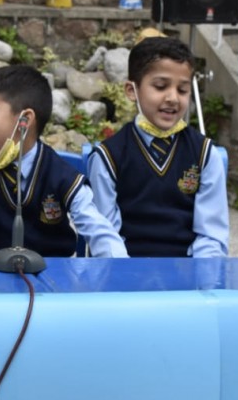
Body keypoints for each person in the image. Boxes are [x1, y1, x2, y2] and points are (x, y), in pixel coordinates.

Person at [0, 64, 128, 259]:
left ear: (25, 120)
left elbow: (99, 231)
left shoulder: (63, 175)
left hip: (55, 273)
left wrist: (121, 268)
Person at [87, 35, 229, 257]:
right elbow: (106, 236)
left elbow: (211, 236)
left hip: (187, 270)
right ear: (132, 90)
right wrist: (125, 274)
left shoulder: (204, 154)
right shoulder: (108, 157)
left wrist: (202, 274)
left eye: (183, 90)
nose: (173, 98)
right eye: (161, 86)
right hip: (127, 269)